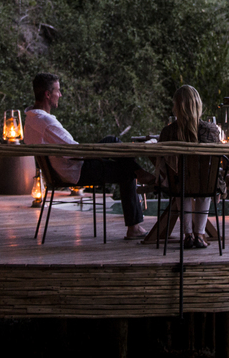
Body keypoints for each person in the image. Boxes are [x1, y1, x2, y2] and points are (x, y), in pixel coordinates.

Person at [23, 73, 148, 239]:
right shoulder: (46, 122)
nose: (60, 95)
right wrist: (95, 154)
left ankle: (141, 173)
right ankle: (135, 226)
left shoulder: (30, 119)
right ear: (47, 94)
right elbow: (76, 152)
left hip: (62, 169)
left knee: (112, 141)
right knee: (127, 172)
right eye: (58, 91)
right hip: (76, 171)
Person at [157, 85, 221, 249]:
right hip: (206, 186)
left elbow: (162, 163)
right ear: (198, 105)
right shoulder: (211, 131)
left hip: (178, 187)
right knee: (206, 183)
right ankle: (200, 234)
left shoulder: (167, 133)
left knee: (180, 187)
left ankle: (187, 235)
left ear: (176, 107)